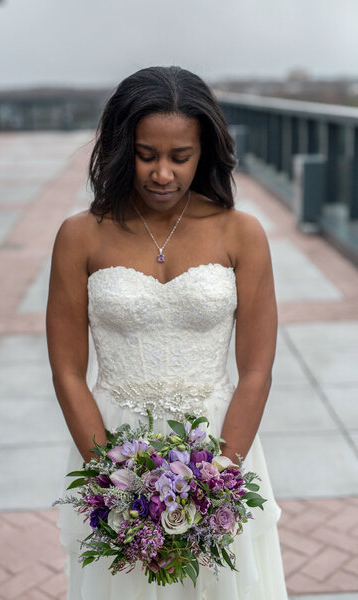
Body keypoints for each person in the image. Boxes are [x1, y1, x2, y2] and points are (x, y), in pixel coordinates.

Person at [46, 65, 289, 600]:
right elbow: (66, 370)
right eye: (145, 154)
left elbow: (256, 370)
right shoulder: (79, 235)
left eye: (180, 157)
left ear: (205, 152)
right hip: (110, 443)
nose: (162, 173)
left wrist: (218, 479)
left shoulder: (241, 233)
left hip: (222, 442)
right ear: (118, 148)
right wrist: (111, 479)